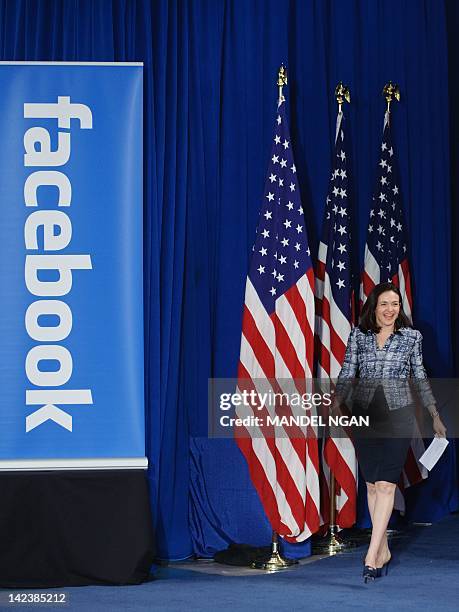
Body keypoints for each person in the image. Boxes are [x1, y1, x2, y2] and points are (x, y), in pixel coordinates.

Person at [335, 282, 447, 583]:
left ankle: (372, 555)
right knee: (372, 486)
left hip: (399, 415)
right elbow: (348, 371)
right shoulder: (359, 335)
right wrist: (335, 403)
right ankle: (382, 549)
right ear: (374, 306)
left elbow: (420, 375)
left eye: (395, 304)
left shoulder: (411, 337)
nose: (390, 310)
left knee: (386, 484)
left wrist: (434, 414)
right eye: (385, 303)